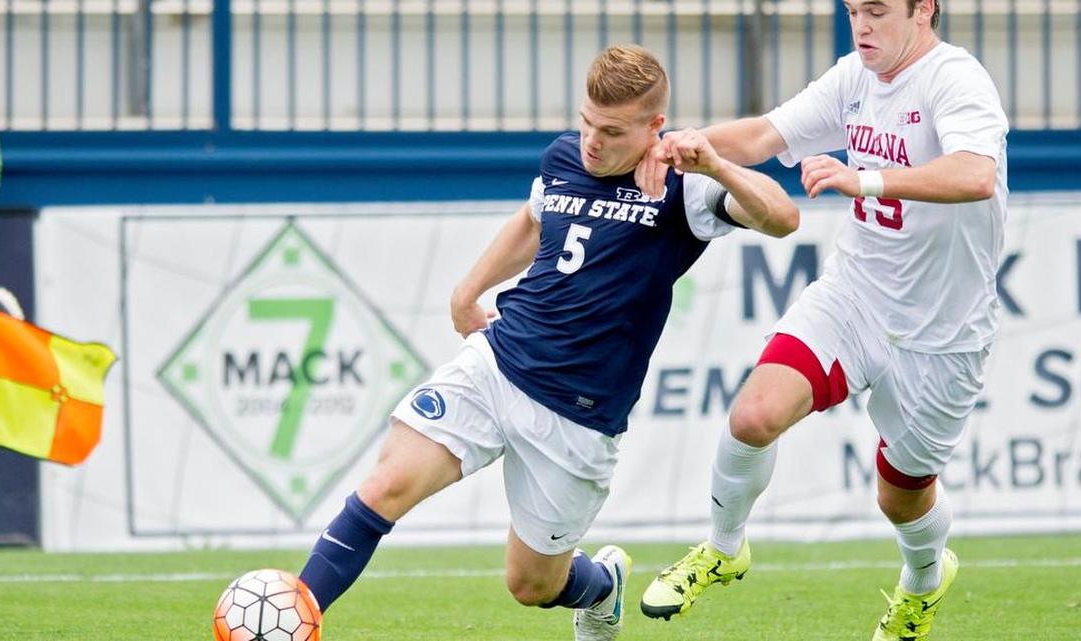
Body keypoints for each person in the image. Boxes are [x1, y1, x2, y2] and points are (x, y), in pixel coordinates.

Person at [296, 44, 799, 640]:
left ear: (654, 127)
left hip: (579, 414)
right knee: (385, 486)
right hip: (498, 362)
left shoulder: (683, 188)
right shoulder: (563, 156)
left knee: (531, 585)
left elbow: (782, 217)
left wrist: (715, 166)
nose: (592, 142)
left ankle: (603, 585)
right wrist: (468, 291)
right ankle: (294, 617)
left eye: (612, 132)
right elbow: (533, 221)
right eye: (587, 122)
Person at [635, 1, 1008, 639]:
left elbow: (975, 175)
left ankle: (922, 582)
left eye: (877, 11)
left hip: (943, 333)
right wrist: (675, 146)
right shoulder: (852, 77)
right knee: (753, 416)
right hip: (855, 297)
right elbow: (764, 135)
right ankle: (723, 548)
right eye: (853, 10)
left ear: (924, 9)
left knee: (901, 493)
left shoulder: (955, 78)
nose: (861, 25)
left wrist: (865, 180)